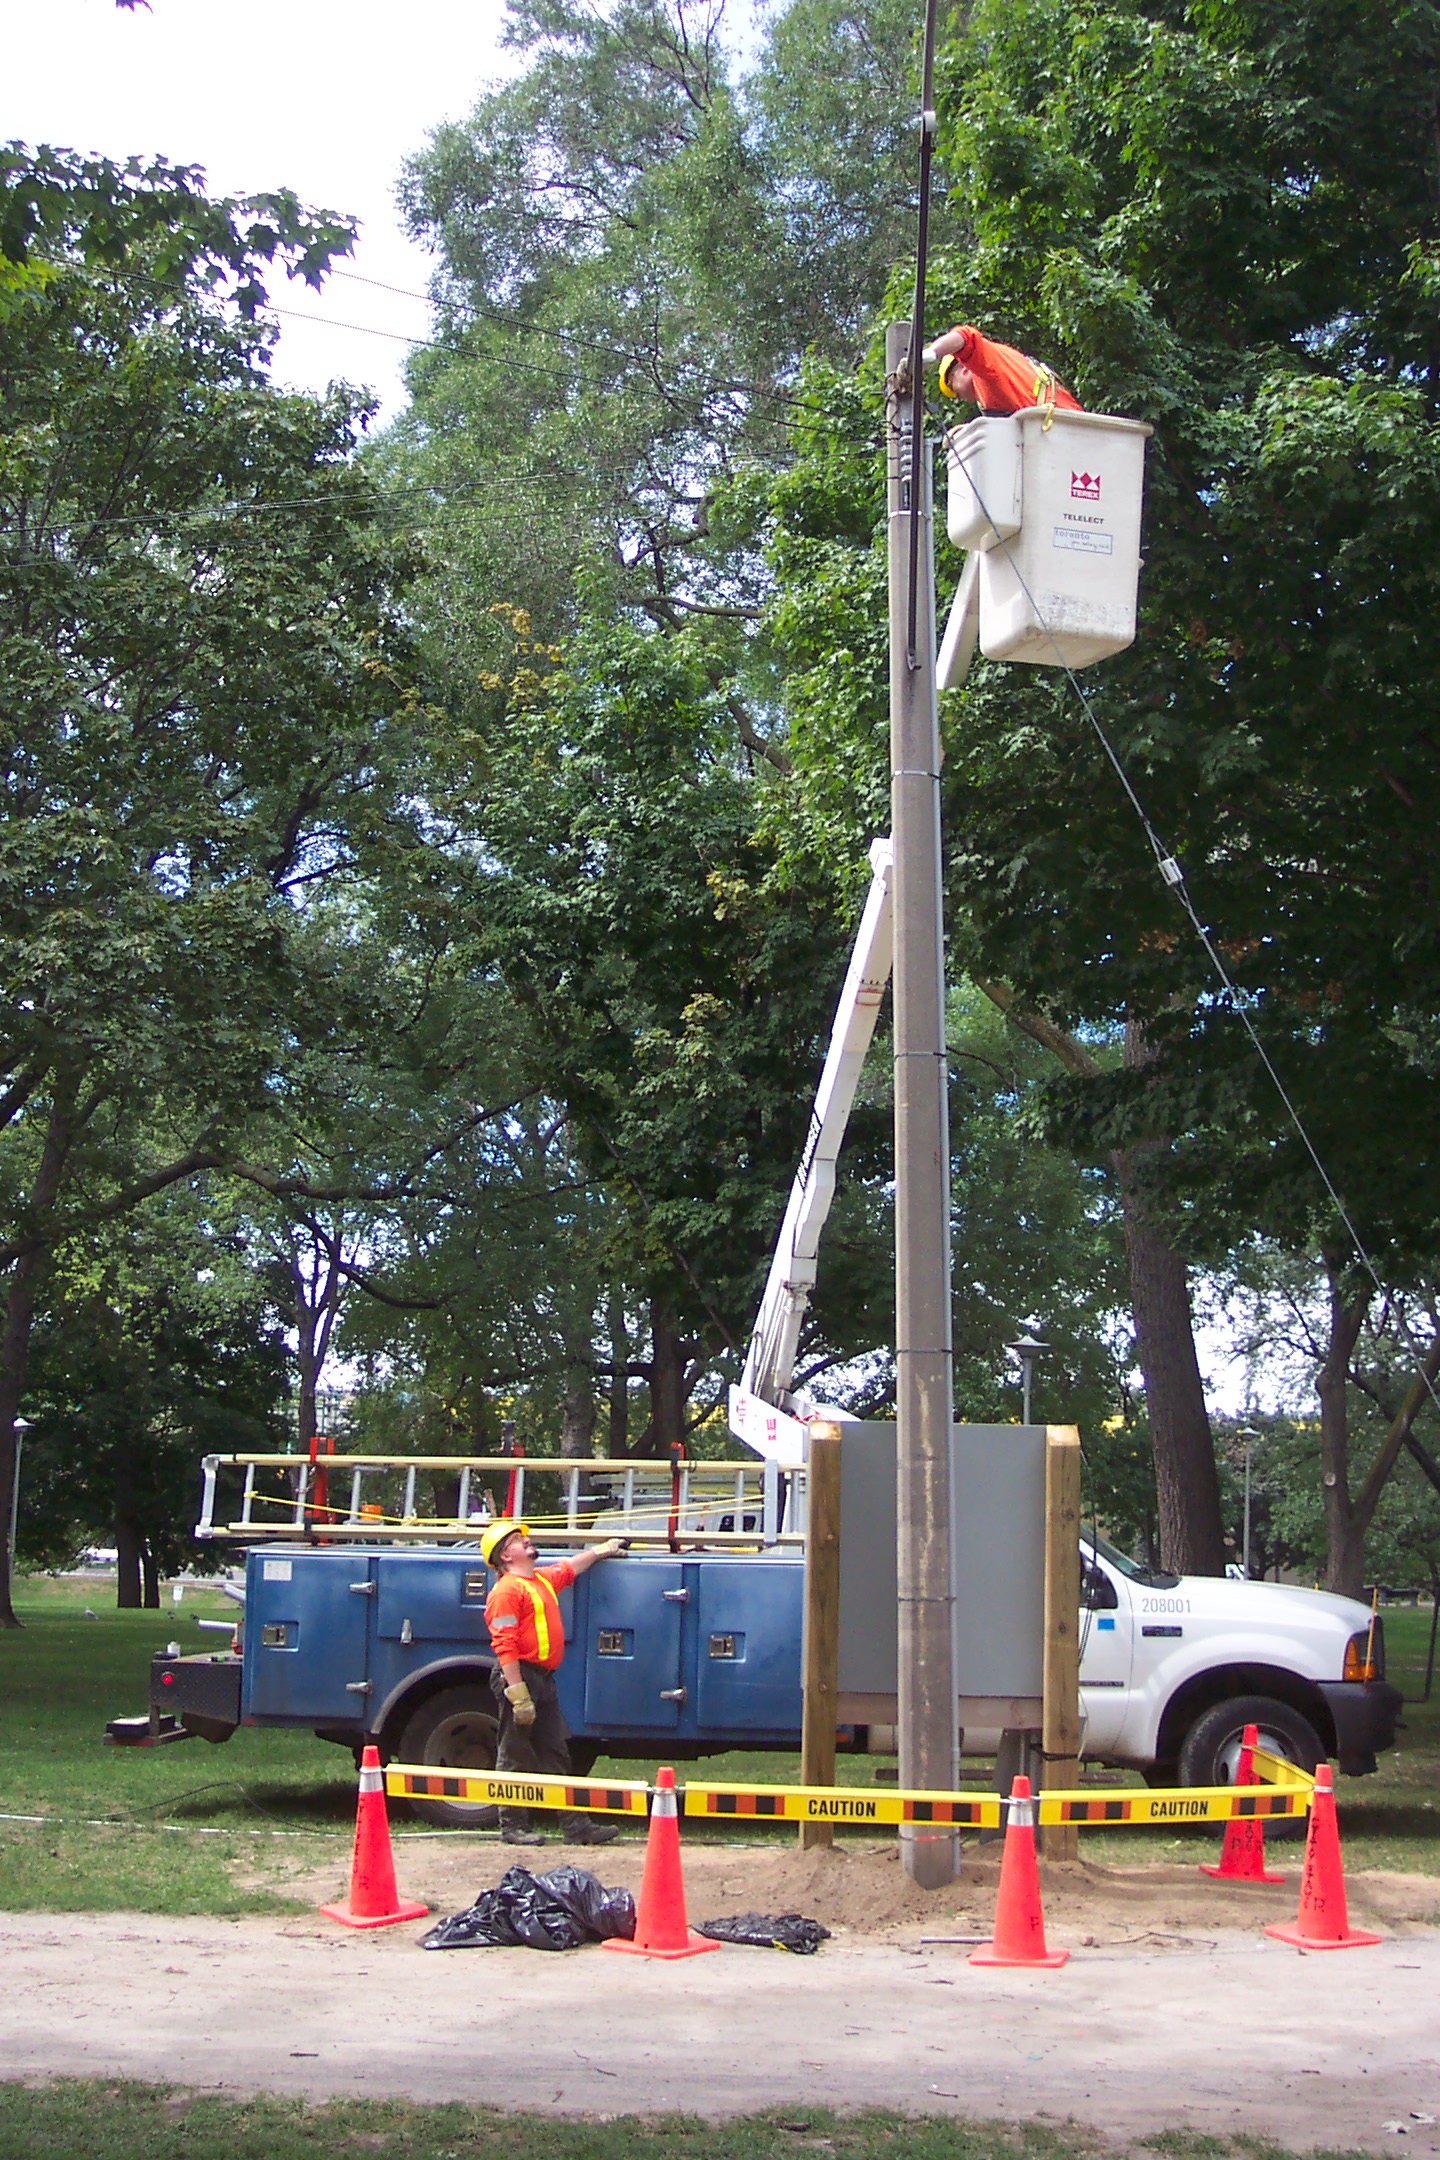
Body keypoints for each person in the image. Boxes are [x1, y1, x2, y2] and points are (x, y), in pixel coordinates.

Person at [479, 1516, 627, 1847]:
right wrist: (518, 1694)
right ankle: (512, 1826)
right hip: (520, 1677)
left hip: (541, 1679)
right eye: (518, 1540)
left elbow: (570, 1567)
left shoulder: (540, 1580)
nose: (527, 1540)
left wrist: (603, 1550)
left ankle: (576, 1827)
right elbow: (505, 1645)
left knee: (556, 1752)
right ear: (506, 1556)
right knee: (514, 1752)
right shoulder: (506, 1591)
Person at [925, 324, 1082, 415]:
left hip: (1061, 428)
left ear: (964, 369)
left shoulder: (985, 370)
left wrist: (931, 354)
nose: (960, 398)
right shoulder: (1007, 363)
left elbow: (965, 337)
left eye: (954, 391)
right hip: (1072, 428)